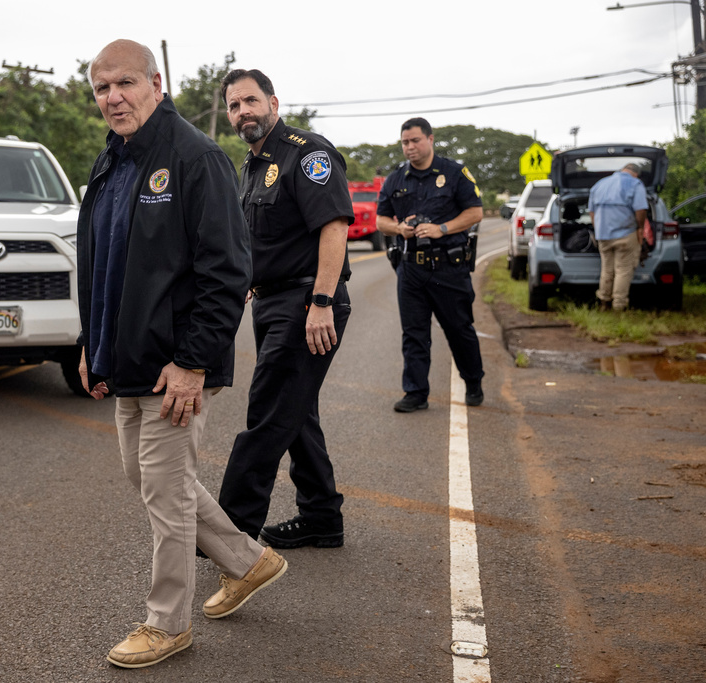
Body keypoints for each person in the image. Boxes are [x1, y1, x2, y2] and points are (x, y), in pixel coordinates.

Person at [77, 40, 287, 670]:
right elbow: (102, 263)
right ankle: (250, 562)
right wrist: (92, 342)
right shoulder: (110, 163)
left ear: (155, 82)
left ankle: (167, 623)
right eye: (101, 88)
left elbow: (227, 270)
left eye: (124, 83)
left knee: (166, 495)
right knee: (146, 480)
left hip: (177, 364)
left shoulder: (195, 158)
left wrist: (194, 361)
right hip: (126, 357)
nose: (113, 97)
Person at [216, 68, 352, 550]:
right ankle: (321, 517)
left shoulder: (307, 153)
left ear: (273, 102)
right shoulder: (251, 166)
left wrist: (322, 302)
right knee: (296, 411)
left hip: (306, 301)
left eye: (250, 101)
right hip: (272, 300)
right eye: (234, 106)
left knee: (269, 412)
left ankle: (229, 533)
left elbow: (334, 226)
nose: (242, 112)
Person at [376, 117, 485, 413]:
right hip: (411, 269)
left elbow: (475, 212)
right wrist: (400, 229)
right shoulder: (396, 179)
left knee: (459, 329)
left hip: (448, 267)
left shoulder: (454, 173)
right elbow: (380, 220)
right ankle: (415, 392)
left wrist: (442, 228)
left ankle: (473, 381)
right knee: (414, 334)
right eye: (405, 142)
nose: (409, 147)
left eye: (415, 141)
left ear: (430, 139)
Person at [588, 163, 648, 312]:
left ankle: (604, 302)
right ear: (635, 173)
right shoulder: (635, 184)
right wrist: (640, 228)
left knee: (607, 269)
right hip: (626, 234)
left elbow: (592, 212)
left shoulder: (599, 184)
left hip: (603, 235)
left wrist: (598, 229)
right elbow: (640, 210)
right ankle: (618, 306)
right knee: (623, 270)